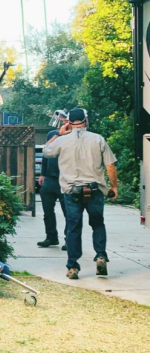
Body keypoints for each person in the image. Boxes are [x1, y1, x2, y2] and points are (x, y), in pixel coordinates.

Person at [42, 107, 118, 280]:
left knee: (74, 228)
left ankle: (73, 267)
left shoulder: (62, 141)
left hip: (72, 191)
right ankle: (100, 256)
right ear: (86, 120)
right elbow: (110, 166)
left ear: (69, 122)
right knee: (98, 224)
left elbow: (47, 152)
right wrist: (113, 187)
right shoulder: (98, 139)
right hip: (95, 189)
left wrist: (59, 135)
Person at [37, 109, 68, 249]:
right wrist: (42, 174)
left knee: (68, 211)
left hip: (64, 178)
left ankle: (69, 239)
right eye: (59, 119)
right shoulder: (52, 135)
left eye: (63, 119)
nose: (60, 121)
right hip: (49, 178)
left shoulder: (72, 135)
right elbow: (45, 153)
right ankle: (51, 237)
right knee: (47, 211)